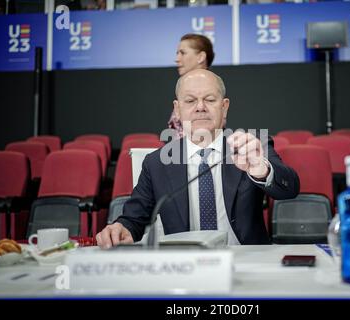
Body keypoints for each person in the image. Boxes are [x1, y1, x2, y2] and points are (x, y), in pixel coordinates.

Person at [96, 69, 300, 248]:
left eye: (210, 100)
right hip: (184, 264)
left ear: (224, 106)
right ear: (177, 109)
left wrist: (261, 169)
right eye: (190, 100)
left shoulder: (252, 147)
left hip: (246, 260)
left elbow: (289, 189)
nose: (200, 107)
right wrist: (120, 229)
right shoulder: (156, 163)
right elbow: (134, 218)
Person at [168, 34, 215, 139]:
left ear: (201, 57)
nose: (177, 59)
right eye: (177, 53)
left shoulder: (213, 89)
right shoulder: (184, 89)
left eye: (183, 53)